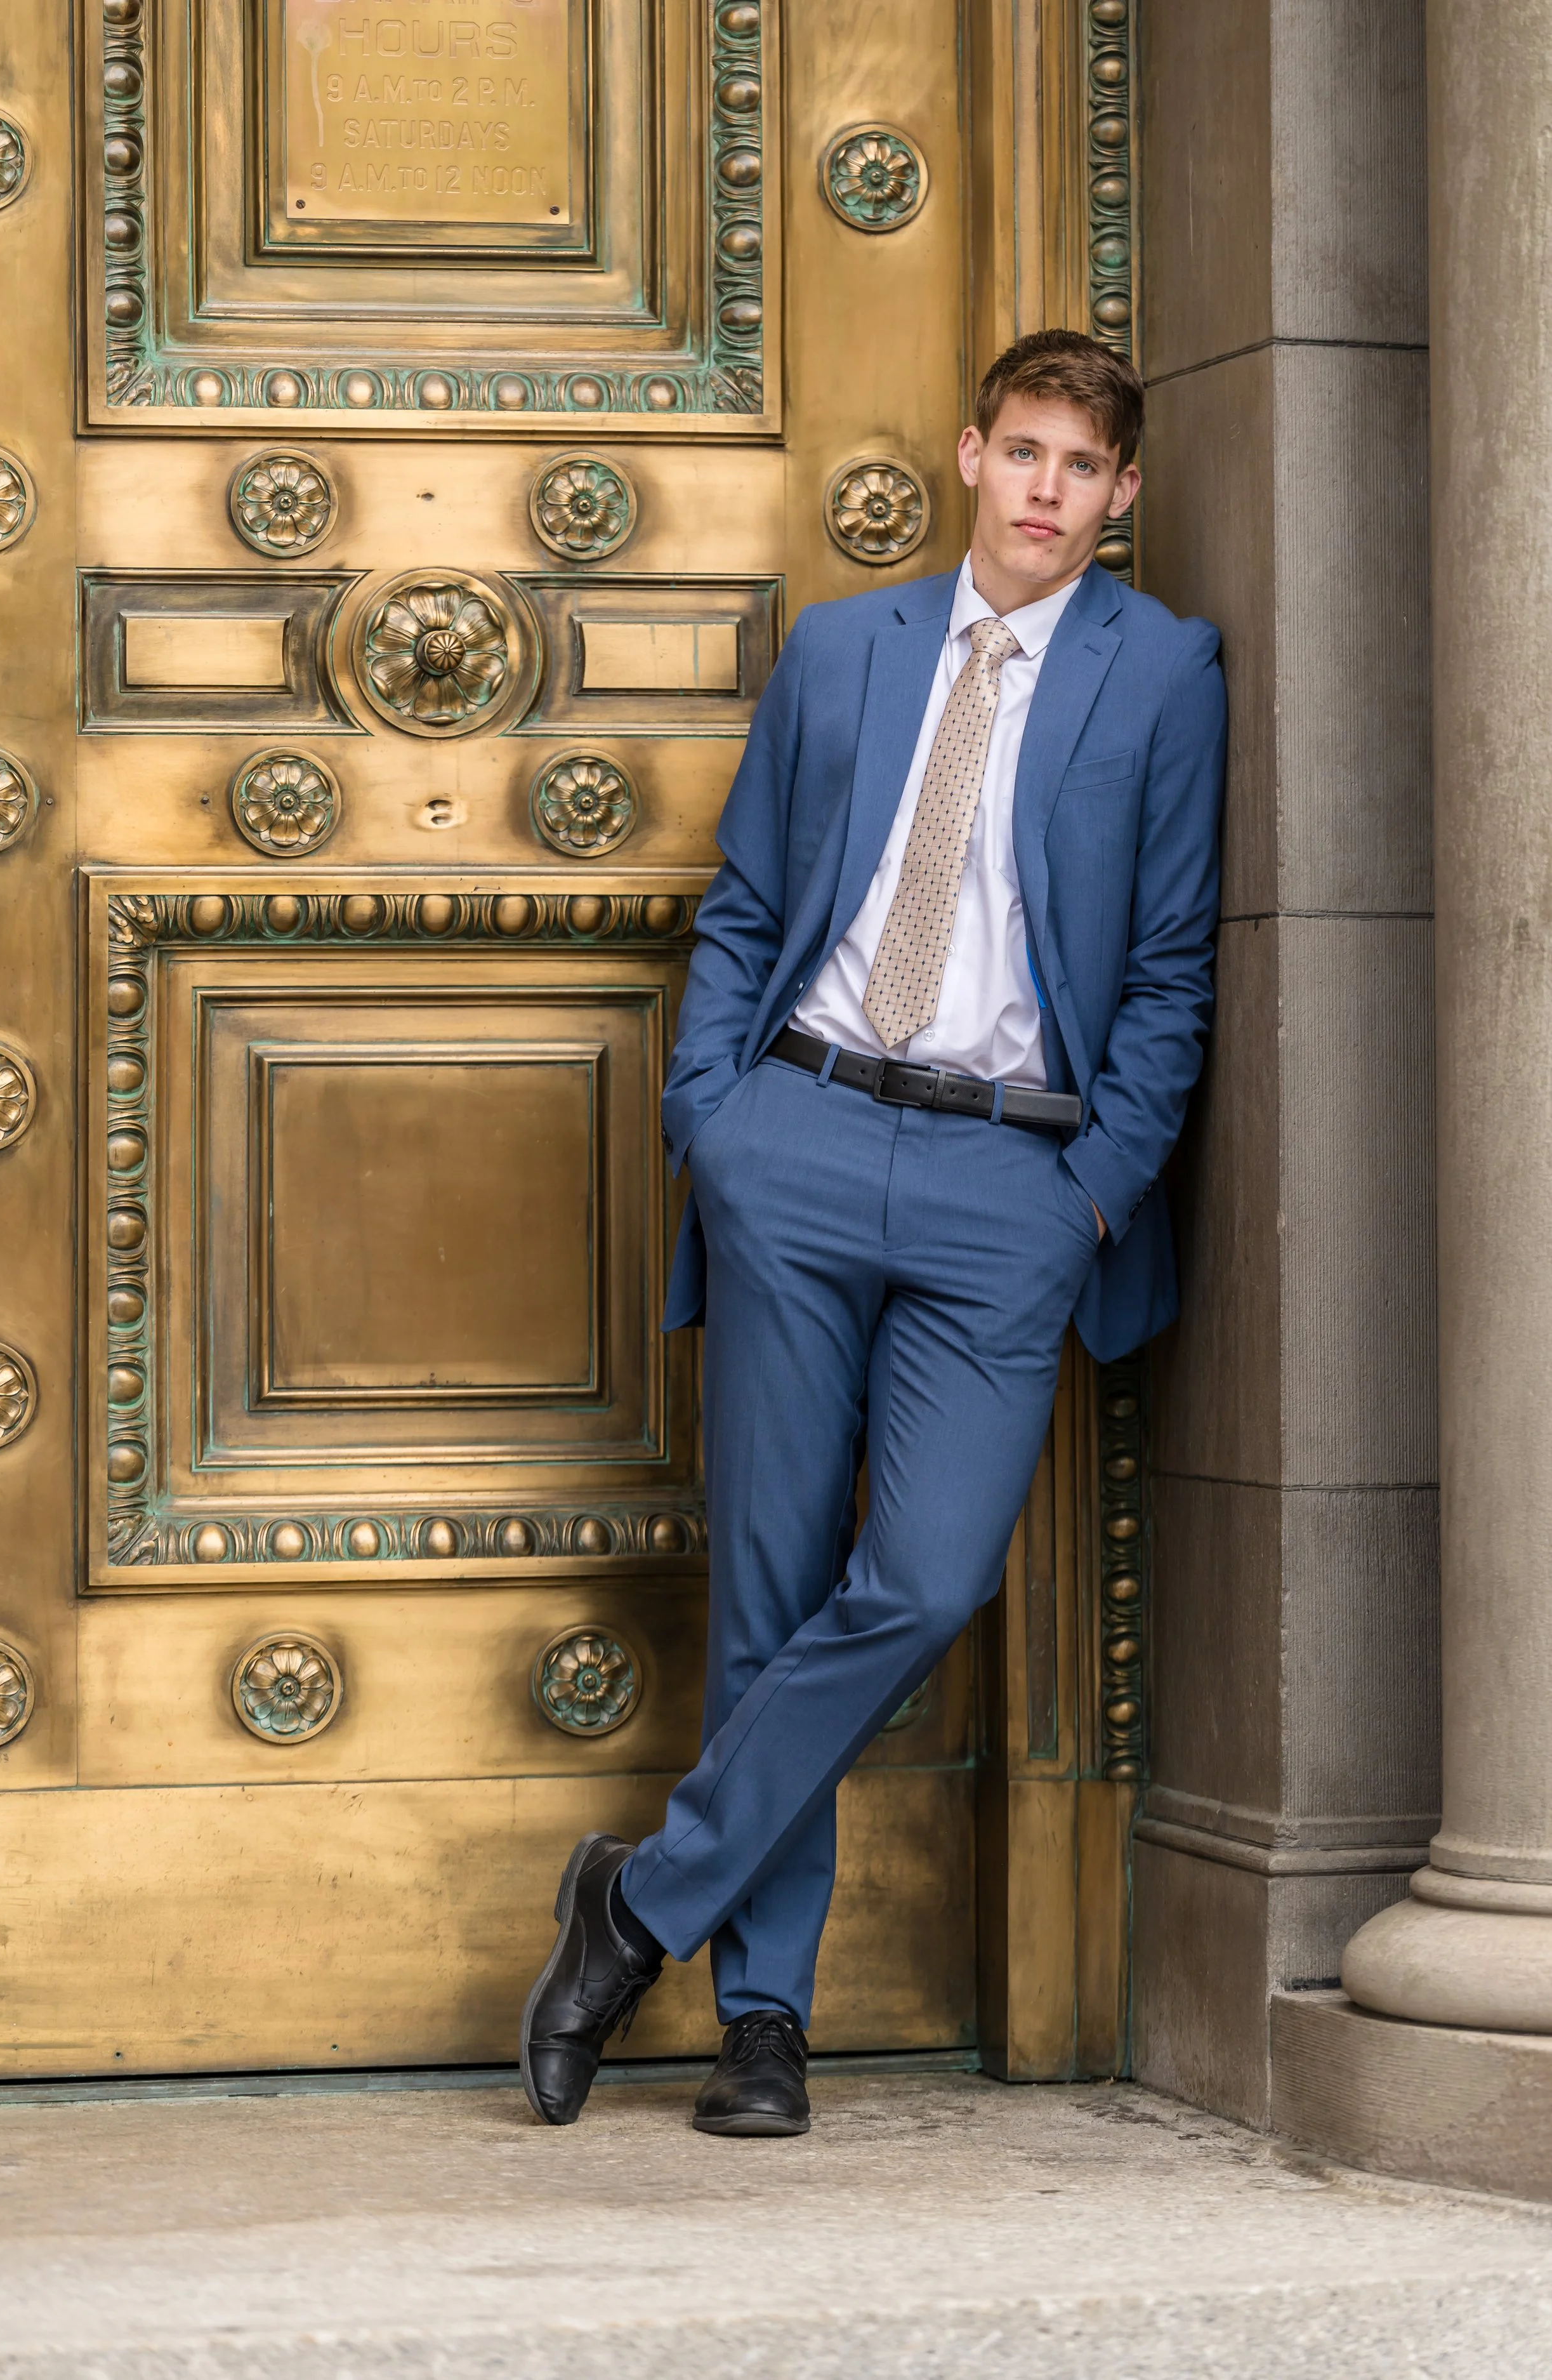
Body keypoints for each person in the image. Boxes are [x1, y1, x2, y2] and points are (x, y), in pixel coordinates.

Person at [519, 328, 1226, 2136]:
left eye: (1084, 466)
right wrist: (718, 1122)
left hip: (1011, 1182)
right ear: (971, 455)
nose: (1048, 490)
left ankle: (637, 1903)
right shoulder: (845, 648)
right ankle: (764, 2021)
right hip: (804, 1137)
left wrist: (1091, 1191)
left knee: (922, 1576)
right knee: (768, 1588)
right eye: (1025, 452)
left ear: (1122, 493)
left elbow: (1167, 970)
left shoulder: (1163, 673)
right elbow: (750, 903)